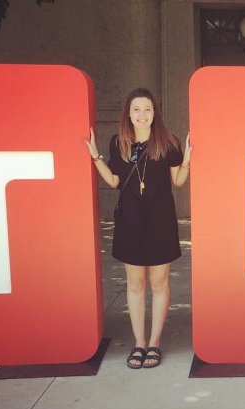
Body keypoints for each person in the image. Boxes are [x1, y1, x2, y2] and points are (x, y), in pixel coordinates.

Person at [85, 88, 191, 369]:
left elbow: (179, 180)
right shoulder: (118, 142)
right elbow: (115, 181)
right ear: (128, 114)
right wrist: (96, 157)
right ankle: (139, 343)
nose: (141, 115)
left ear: (155, 113)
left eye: (147, 109)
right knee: (135, 284)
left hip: (160, 220)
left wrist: (188, 157)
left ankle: (154, 343)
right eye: (136, 110)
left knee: (158, 283)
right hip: (130, 221)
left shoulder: (168, 143)